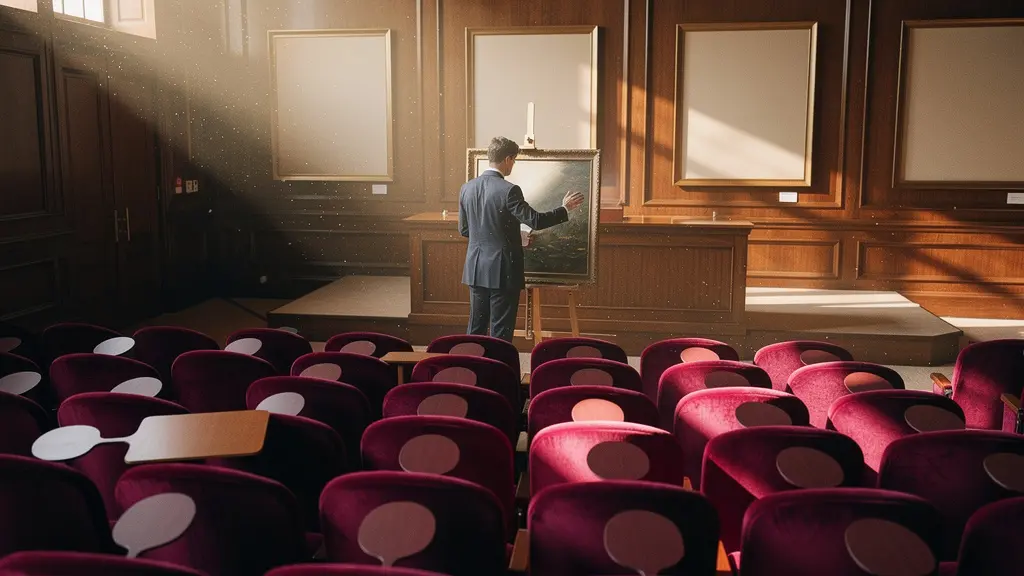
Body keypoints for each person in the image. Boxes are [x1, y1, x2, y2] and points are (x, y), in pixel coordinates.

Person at [458, 136, 585, 342]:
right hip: (503, 271)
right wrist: (564, 208)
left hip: (475, 268)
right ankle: (499, 373)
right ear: (508, 159)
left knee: (476, 329)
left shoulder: (466, 188)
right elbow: (535, 220)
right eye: (514, 160)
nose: (513, 165)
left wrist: (509, 236)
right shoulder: (509, 190)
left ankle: (475, 370)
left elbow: (465, 230)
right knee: (501, 332)